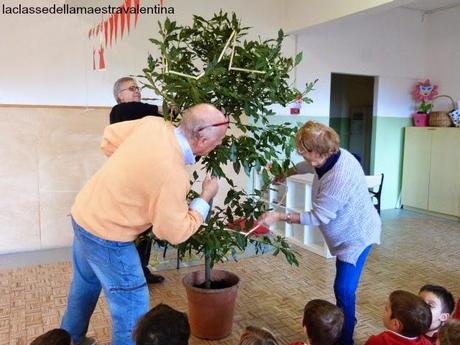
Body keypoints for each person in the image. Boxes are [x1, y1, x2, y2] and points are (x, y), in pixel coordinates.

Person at [61, 104, 229, 345]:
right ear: (202, 139)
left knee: (85, 285)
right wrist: (205, 198)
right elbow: (173, 232)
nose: (219, 144)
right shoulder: (173, 174)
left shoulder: (153, 125)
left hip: (84, 214)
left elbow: (108, 139)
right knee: (133, 307)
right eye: (219, 139)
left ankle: (68, 340)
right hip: (108, 236)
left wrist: (133, 174)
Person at [258, 121, 381, 345]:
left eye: (305, 150)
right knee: (342, 287)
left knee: (344, 289)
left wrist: (277, 216)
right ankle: (338, 332)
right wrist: (288, 173)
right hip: (345, 235)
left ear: (319, 150)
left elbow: (317, 217)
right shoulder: (327, 157)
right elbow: (307, 166)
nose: (302, 153)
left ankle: (345, 341)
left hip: (357, 236)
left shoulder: (338, 176)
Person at [111, 77, 165, 285]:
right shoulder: (120, 112)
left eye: (137, 88)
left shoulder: (145, 116)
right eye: (131, 88)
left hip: (147, 179)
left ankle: (142, 271)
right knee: (130, 230)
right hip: (128, 181)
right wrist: (163, 109)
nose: (137, 91)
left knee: (145, 227)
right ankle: (129, 275)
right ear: (119, 96)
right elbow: (135, 109)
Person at [365, 290, 432, 345]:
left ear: (395, 324)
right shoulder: (426, 343)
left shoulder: (377, 341)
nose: (383, 310)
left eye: (386, 309)